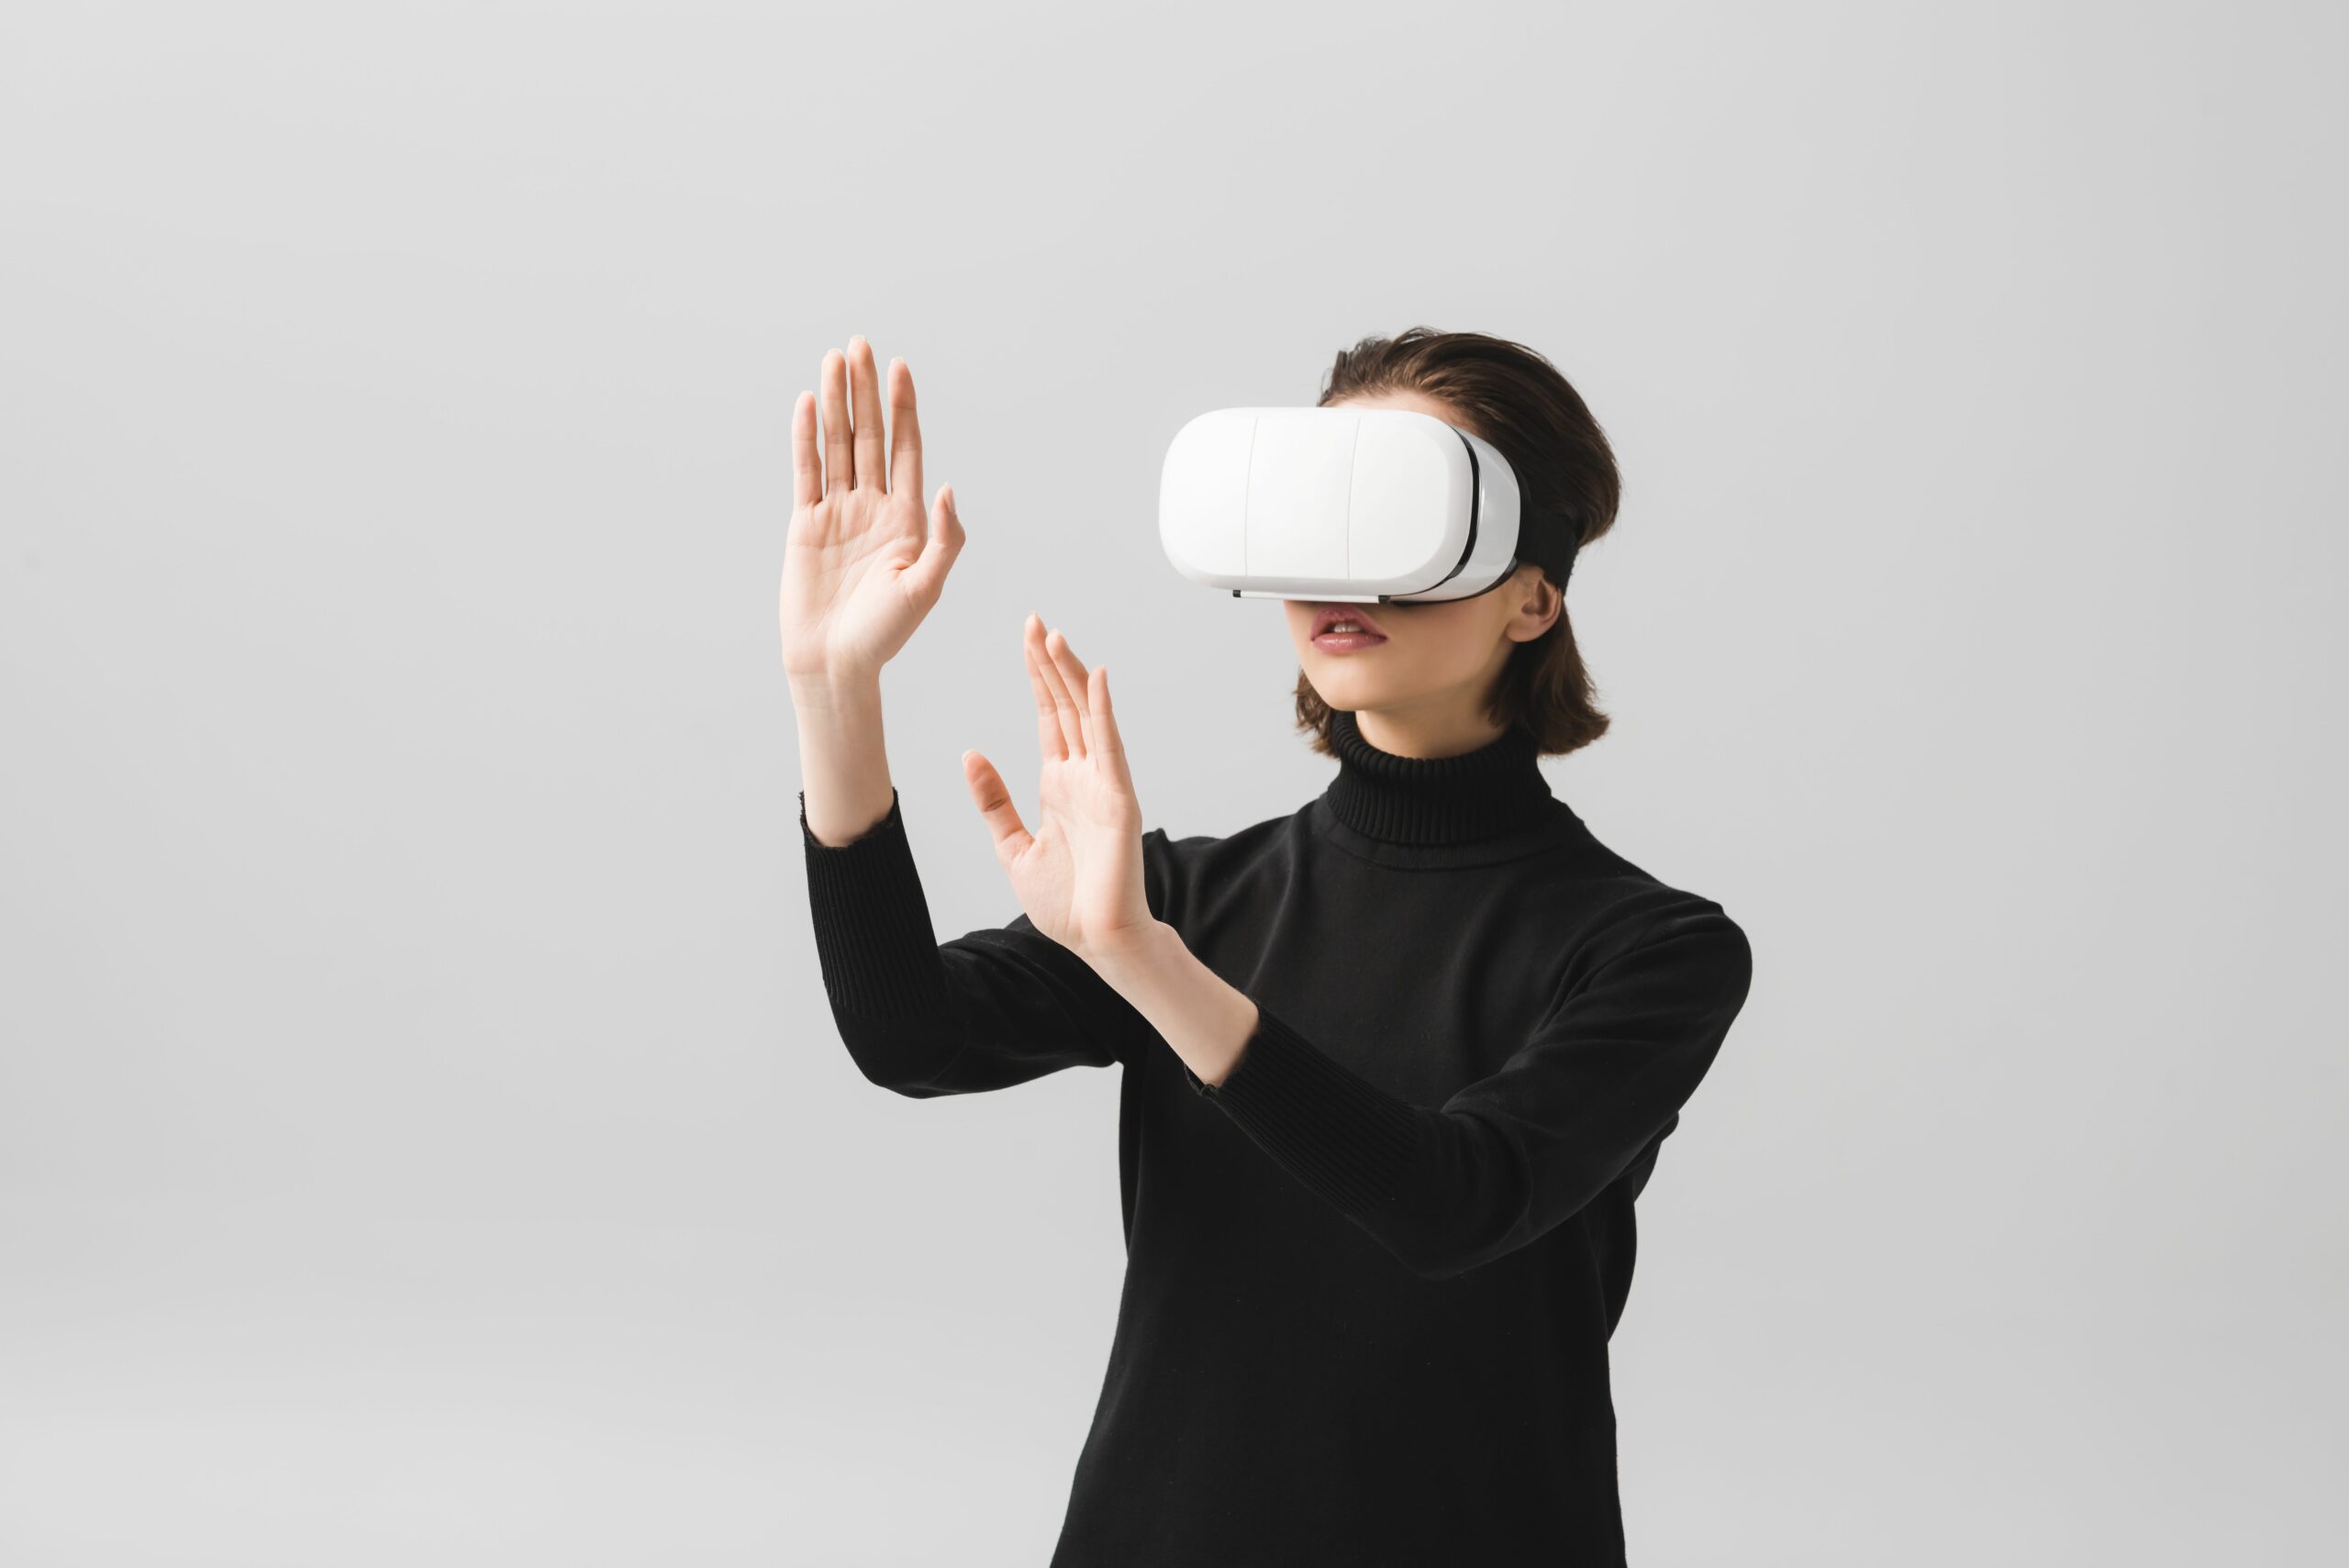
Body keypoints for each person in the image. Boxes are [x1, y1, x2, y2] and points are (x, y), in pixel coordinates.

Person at [785, 328, 1754, 1566]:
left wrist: (1146, 961)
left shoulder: (1653, 950)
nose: (1344, 575)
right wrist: (834, 689)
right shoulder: (1183, 898)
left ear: (1534, 593)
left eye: (1395, 518)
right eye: (1317, 519)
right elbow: (907, 1034)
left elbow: (1454, 1203)